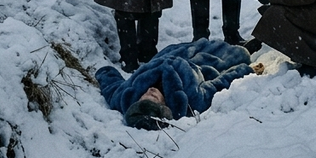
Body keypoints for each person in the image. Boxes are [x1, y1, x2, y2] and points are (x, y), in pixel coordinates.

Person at [96, 38, 262, 129]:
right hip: (197, 64)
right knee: (236, 55)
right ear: (164, 106)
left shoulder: (124, 97)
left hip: (170, 53)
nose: (150, 91)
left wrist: (102, 72)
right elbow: (220, 84)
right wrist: (246, 70)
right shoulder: (190, 101)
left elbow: (110, 83)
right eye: (153, 97)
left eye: (144, 96)